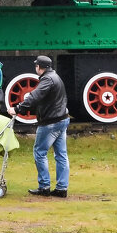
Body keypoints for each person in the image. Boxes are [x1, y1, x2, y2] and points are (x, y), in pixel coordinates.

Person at [8, 55, 70, 198]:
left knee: (39, 152)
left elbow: (35, 96)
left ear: (39, 67)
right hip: (62, 119)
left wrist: (17, 109)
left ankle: (44, 186)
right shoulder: (55, 76)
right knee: (61, 155)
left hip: (51, 122)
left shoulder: (47, 80)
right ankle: (61, 188)